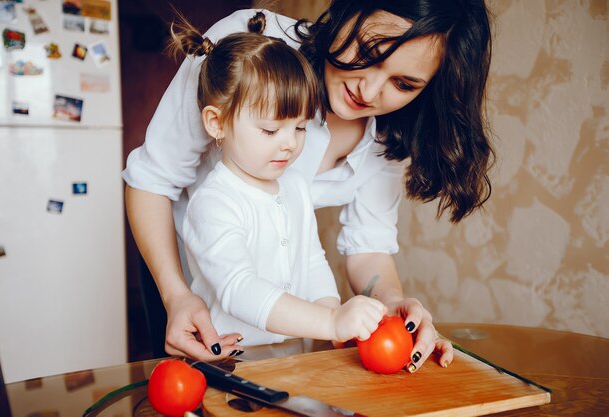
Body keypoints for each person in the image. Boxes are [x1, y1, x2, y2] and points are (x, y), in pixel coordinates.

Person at [123, 0, 493, 373]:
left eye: (403, 83)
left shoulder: (389, 131)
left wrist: (386, 306)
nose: (369, 90)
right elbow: (153, 179)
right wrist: (176, 296)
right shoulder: (248, 45)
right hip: (186, 277)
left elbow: (366, 246)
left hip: (286, 332)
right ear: (350, 11)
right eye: (368, 52)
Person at [172, 12, 387, 347]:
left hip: (291, 354)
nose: (289, 143)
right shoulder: (213, 203)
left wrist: (331, 312)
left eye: (300, 127)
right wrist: (330, 322)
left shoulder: (295, 187)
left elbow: (314, 263)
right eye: (271, 129)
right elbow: (238, 289)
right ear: (216, 123)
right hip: (232, 360)